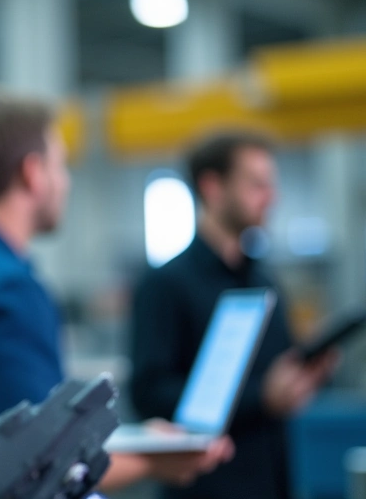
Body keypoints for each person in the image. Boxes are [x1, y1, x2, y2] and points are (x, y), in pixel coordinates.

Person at [0, 84, 233, 499]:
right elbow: (43, 465)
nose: (65, 181)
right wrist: (155, 460)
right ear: (33, 173)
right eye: (60, 165)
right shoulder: (8, 290)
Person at [129, 133, 339, 499]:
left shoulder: (264, 281)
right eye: (256, 184)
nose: (270, 197)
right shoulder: (165, 285)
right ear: (212, 187)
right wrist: (261, 397)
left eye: (271, 185)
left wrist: (307, 374)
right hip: (206, 488)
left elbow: (277, 372)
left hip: (271, 479)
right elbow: (150, 394)